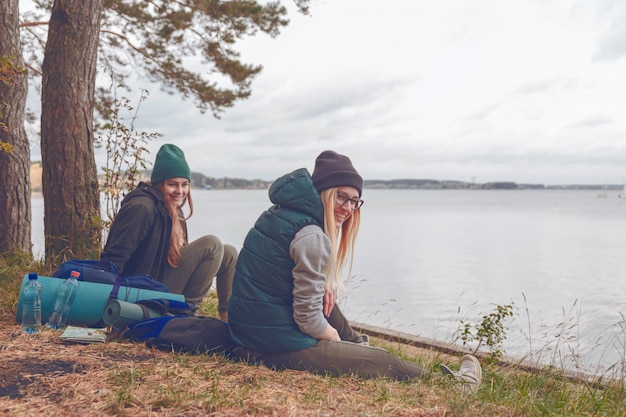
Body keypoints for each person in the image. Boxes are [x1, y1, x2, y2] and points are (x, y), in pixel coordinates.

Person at [227, 150, 482, 392]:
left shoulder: (284, 215)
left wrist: (325, 283)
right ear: (324, 193)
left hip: (251, 332)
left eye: (354, 200)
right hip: (268, 345)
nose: (348, 208)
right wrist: (332, 336)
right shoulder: (312, 236)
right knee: (384, 362)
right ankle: (454, 386)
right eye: (340, 196)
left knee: (326, 300)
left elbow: (283, 277)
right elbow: (308, 320)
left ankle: (356, 347)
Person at [101, 144, 237, 321]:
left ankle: (228, 318)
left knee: (229, 253)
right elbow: (113, 259)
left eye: (184, 185)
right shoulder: (141, 208)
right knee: (211, 244)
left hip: (162, 282)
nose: (180, 191)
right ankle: (185, 313)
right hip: (142, 290)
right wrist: (108, 299)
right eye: (172, 184)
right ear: (159, 184)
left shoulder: (173, 209)